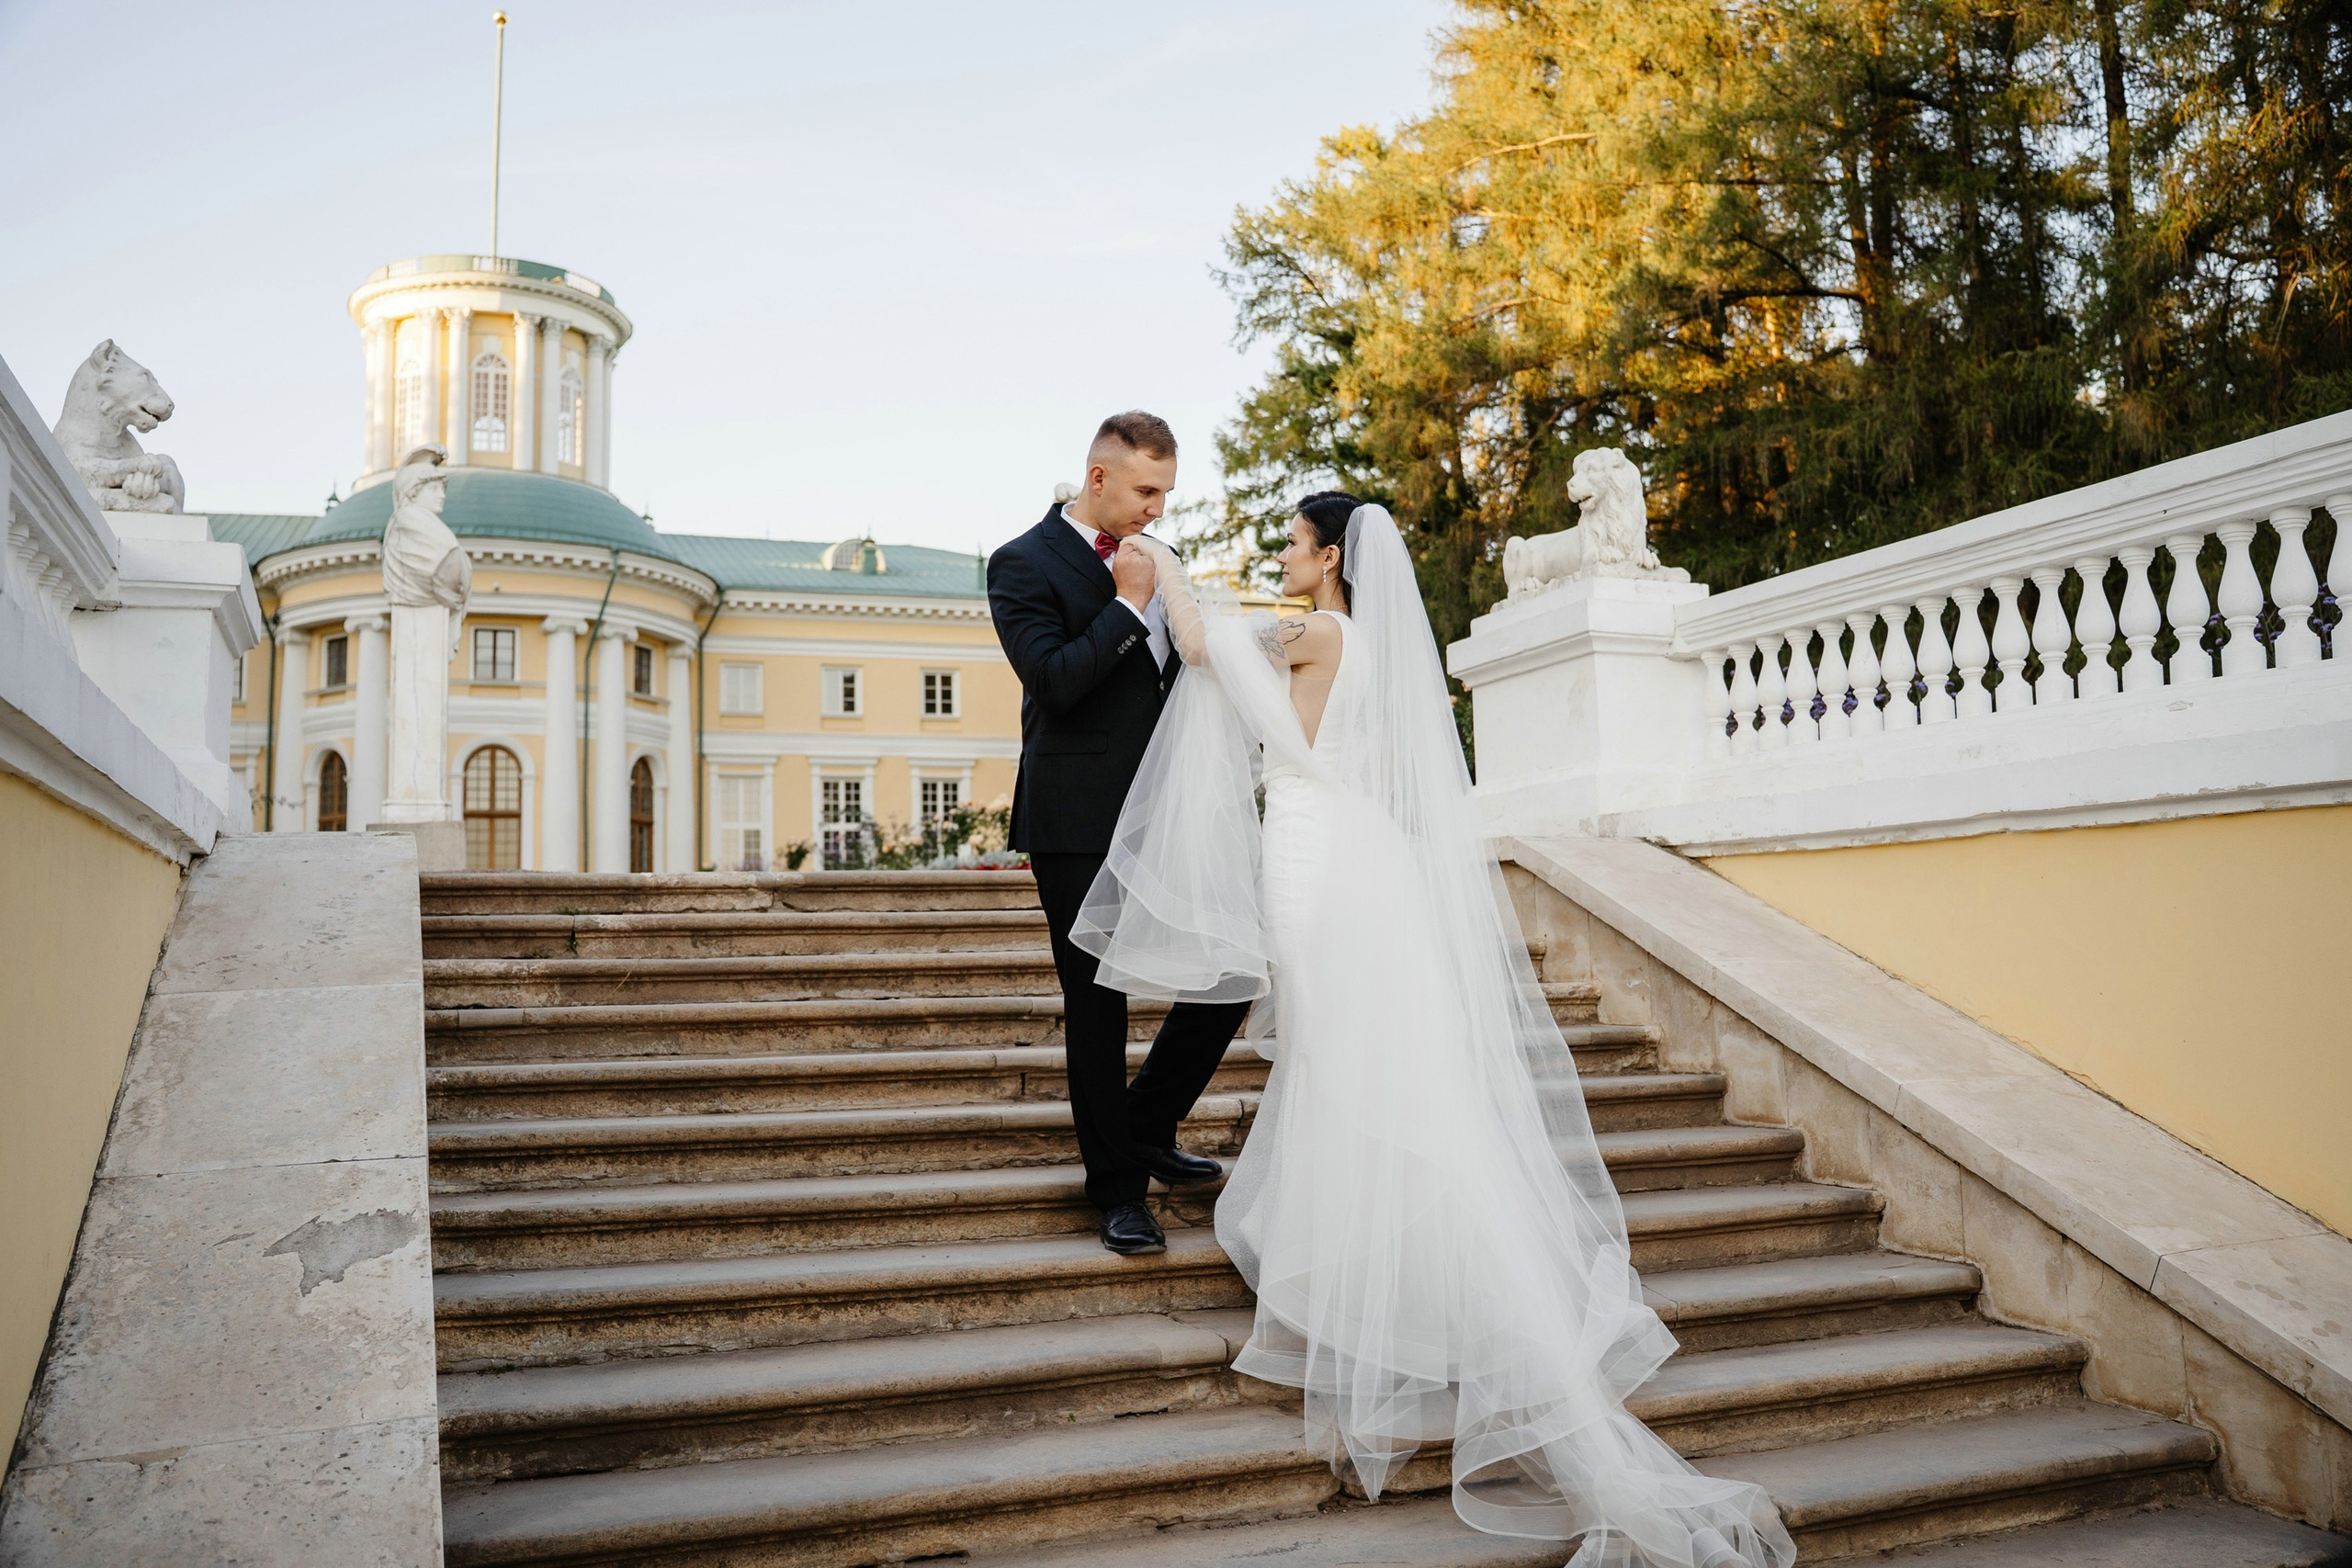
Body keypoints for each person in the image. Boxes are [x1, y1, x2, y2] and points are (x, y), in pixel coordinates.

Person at [1071, 494, 1797, 1568]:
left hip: (1312, 857)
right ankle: (1394, 1269)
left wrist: (1165, 563)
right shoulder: (1356, 647)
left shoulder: (1312, 630)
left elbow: (1190, 642)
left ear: (1329, 561)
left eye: (1291, 543)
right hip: (1351, 849)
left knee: (1341, 1063)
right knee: (1353, 1062)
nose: (1281, 555)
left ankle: (1399, 1286)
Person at [986, 412, 1253, 1257]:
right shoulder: (1020, 563)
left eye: (1167, 493)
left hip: (1172, 808)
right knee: (1097, 1004)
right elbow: (1055, 682)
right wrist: (1131, 604)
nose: (1158, 511)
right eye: (1146, 491)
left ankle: (1142, 1122)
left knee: (1236, 967)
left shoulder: (1162, 556)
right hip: (1076, 814)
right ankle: (1118, 1191)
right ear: (1098, 479)